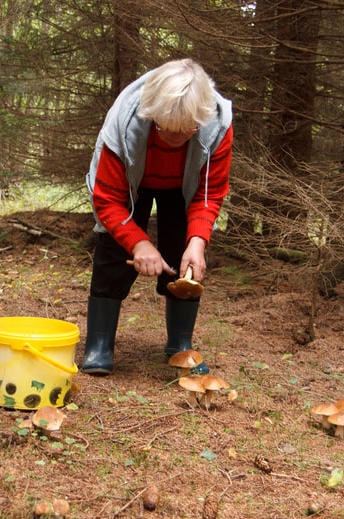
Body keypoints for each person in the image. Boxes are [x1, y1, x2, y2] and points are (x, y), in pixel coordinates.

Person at [82, 58, 233, 376]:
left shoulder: (216, 125)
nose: (174, 138)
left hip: (183, 188)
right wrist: (138, 244)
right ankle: (99, 343)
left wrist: (198, 242)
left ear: (200, 121)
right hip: (130, 185)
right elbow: (107, 200)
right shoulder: (124, 123)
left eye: (185, 131)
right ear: (152, 115)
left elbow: (210, 193)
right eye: (166, 129)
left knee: (184, 257)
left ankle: (180, 343)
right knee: (112, 252)